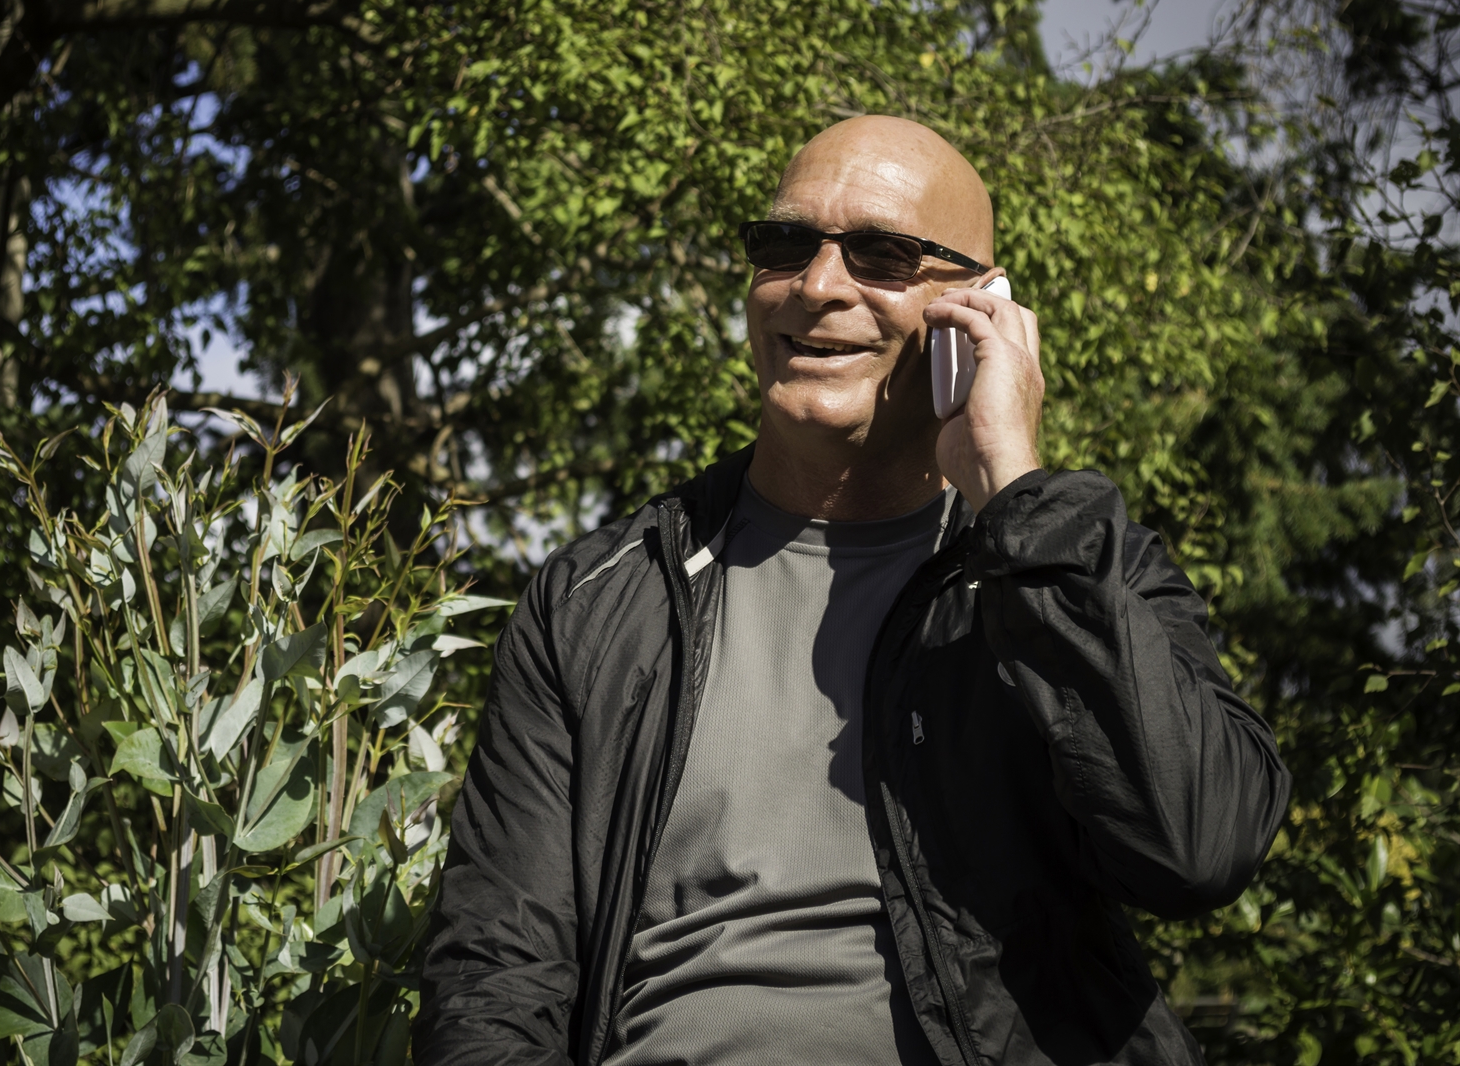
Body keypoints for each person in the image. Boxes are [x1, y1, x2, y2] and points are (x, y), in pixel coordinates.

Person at [414, 116, 1291, 1066]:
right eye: (786, 244)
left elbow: (1197, 851)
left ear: (978, 308)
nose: (818, 285)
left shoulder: (1077, 568)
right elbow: (496, 970)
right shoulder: (594, 601)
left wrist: (1014, 491)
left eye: (881, 254)